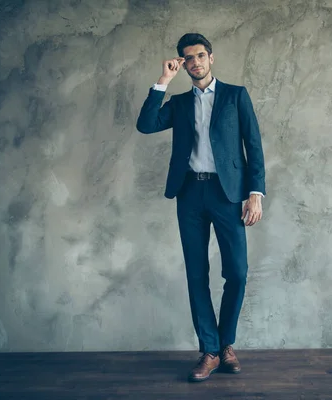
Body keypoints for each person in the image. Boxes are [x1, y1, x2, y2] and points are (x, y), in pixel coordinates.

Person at [136, 33, 266, 382]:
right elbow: (146, 125)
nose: (195, 62)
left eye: (200, 56)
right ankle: (210, 350)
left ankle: (227, 344)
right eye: (188, 58)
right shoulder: (178, 103)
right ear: (183, 63)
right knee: (197, 275)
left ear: (211, 58)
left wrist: (255, 193)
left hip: (228, 195)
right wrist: (163, 80)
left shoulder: (235, 96)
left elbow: (253, 145)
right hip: (190, 193)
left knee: (236, 272)